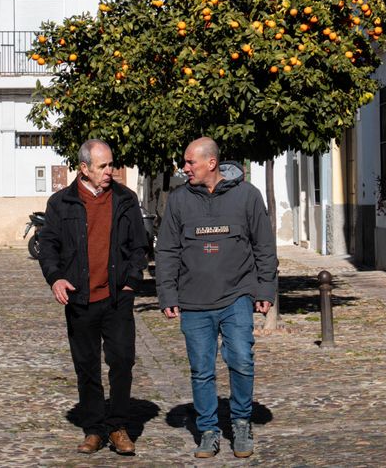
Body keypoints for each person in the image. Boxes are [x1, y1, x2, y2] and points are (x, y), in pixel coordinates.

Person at [155, 137, 277, 459]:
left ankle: (240, 422)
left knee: (241, 359)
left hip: (236, 296)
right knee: (201, 369)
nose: (184, 168)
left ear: (211, 163)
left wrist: (265, 289)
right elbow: (167, 250)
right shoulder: (179, 201)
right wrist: (167, 293)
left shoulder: (247, 196)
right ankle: (208, 429)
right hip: (194, 302)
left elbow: (264, 247)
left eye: (189, 163)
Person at [36, 139, 148, 455]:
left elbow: (139, 247)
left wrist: (130, 284)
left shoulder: (126, 199)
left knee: (122, 362)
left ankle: (118, 426)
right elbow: (48, 247)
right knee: (86, 367)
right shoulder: (61, 203)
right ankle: (94, 429)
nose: (110, 171)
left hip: (116, 298)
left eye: (111, 164)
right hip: (80, 300)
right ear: (84, 169)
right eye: (103, 166)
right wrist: (55, 278)